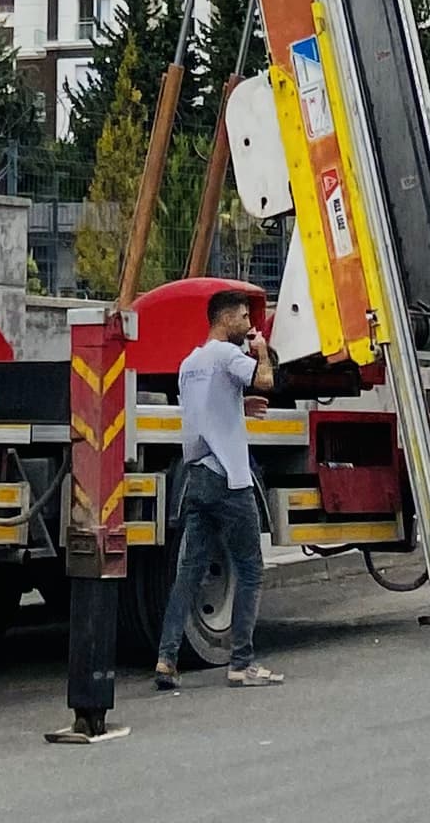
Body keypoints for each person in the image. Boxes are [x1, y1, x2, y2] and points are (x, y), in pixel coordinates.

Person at [155, 288, 282, 690]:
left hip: (196, 478)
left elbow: (203, 409)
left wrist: (237, 408)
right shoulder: (229, 355)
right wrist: (260, 350)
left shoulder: (189, 364)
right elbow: (265, 381)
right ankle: (241, 663)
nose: (249, 325)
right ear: (226, 319)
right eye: (244, 317)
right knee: (249, 569)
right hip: (229, 476)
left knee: (187, 573)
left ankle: (166, 658)